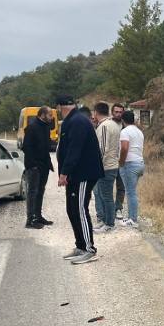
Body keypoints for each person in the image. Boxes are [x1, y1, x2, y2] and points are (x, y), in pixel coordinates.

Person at [55, 95, 104, 264]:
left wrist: (64, 173)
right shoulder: (71, 121)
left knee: (80, 209)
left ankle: (90, 249)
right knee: (72, 209)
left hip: (83, 174)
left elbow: (74, 149)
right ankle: (80, 246)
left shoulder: (77, 121)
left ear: (59, 107)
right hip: (75, 175)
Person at [20, 105, 55, 229]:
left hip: (44, 165)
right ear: (43, 115)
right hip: (34, 166)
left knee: (40, 191)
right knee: (32, 192)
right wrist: (33, 164)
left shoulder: (46, 127)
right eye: (50, 115)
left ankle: (38, 216)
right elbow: (26, 147)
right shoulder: (32, 128)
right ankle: (30, 219)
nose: (51, 117)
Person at [92, 102, 120, 232]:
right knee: (105, 195)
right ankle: (104, 220)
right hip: (112, 164)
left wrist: (96, 166)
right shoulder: (114, 124)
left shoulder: (104, 126)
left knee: (106, 196)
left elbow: (103, 148)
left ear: (96, 112)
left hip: (106, 167)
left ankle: (109, 224)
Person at [118, 110, 145, 228]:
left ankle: (133, 219)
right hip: (140, 163)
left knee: (130, 192)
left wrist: (121, 161)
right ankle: (131, 216)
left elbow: (124, 148)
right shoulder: (139, 132)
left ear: (122, 120)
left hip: (130, 164)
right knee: (132, 191)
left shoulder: (125, 131)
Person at [111, 103, 126, 219]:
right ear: (112, 112)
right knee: (107, 187)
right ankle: (108, 209)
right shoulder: (108, 125)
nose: (118, 114)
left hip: (122, 160)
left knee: (121, 186)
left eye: (120, 112)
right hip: (110, 160)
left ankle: (119, 208)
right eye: (116, 112)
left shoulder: (126, 127)